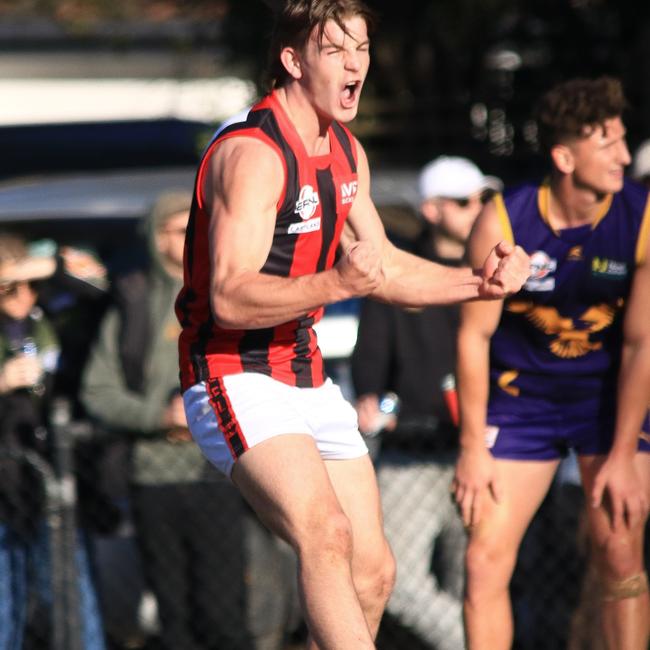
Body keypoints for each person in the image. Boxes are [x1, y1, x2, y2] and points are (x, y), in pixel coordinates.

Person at [175, 2, 530, 648]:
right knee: (326, 533)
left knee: (373, 572)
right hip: (234, 375)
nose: (356, 64)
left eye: (361, 48)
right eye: (337, 50)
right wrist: (336, 284)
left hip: (305, 375)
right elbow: (228, 297)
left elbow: (386, 269)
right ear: (292, 61)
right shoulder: (252, 155)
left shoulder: (345, 152)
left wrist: (479, 282)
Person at [451, 75, 650, 650]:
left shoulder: (639, 217)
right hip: (520, 404)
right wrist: (471, 448)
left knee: (620, 553)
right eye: (606, 142)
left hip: (607, 405)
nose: (623, 154)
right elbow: (472, 336)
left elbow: (641, 345)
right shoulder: (505, 219)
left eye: (623, 138)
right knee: (484, 559)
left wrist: (623, 453)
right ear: (565, 157)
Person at [81, 191, 297, 650]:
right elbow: (97, 390)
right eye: (177, 230)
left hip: (219, 473)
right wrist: (158, 416)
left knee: (226, 615)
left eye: (194, 229)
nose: (187, 240)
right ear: (155, 237)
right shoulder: (134, 301)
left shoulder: (225, 293)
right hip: (152, 478)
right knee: (174, 618)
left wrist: (210, 415)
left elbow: (265, 369)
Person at [351, 156, 501, 650]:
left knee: (475, 580)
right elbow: (368, 364)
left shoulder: (500, 271)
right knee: (394, 580)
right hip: (411, 454)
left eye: (484, 199)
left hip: (481, 454)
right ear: (432, 210)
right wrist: (374, 401)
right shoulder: (397, 273)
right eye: (465, 201)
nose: (479, 210)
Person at [0, 232, 106, 650]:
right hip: (5, 477)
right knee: (6, 604)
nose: (23, 294)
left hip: (52, 474)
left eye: (31, 284)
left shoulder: (50, 316)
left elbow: (97, 281)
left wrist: (41, 266)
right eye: (10, 287)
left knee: (69, 592)